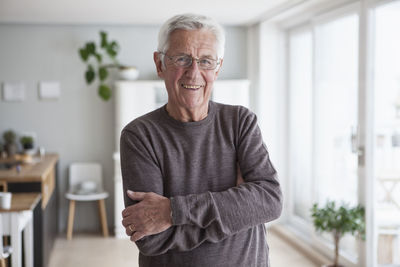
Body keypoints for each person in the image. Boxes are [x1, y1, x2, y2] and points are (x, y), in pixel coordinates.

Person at [120, 13, 283, 267]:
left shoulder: (240, 122)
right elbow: (150, 239)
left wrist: (174, 211)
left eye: (206, 61)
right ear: (160, 63)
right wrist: (236, 215)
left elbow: (270, 201)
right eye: (182, 59)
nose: (193, 73)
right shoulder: (140, 135)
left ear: (217, 68)